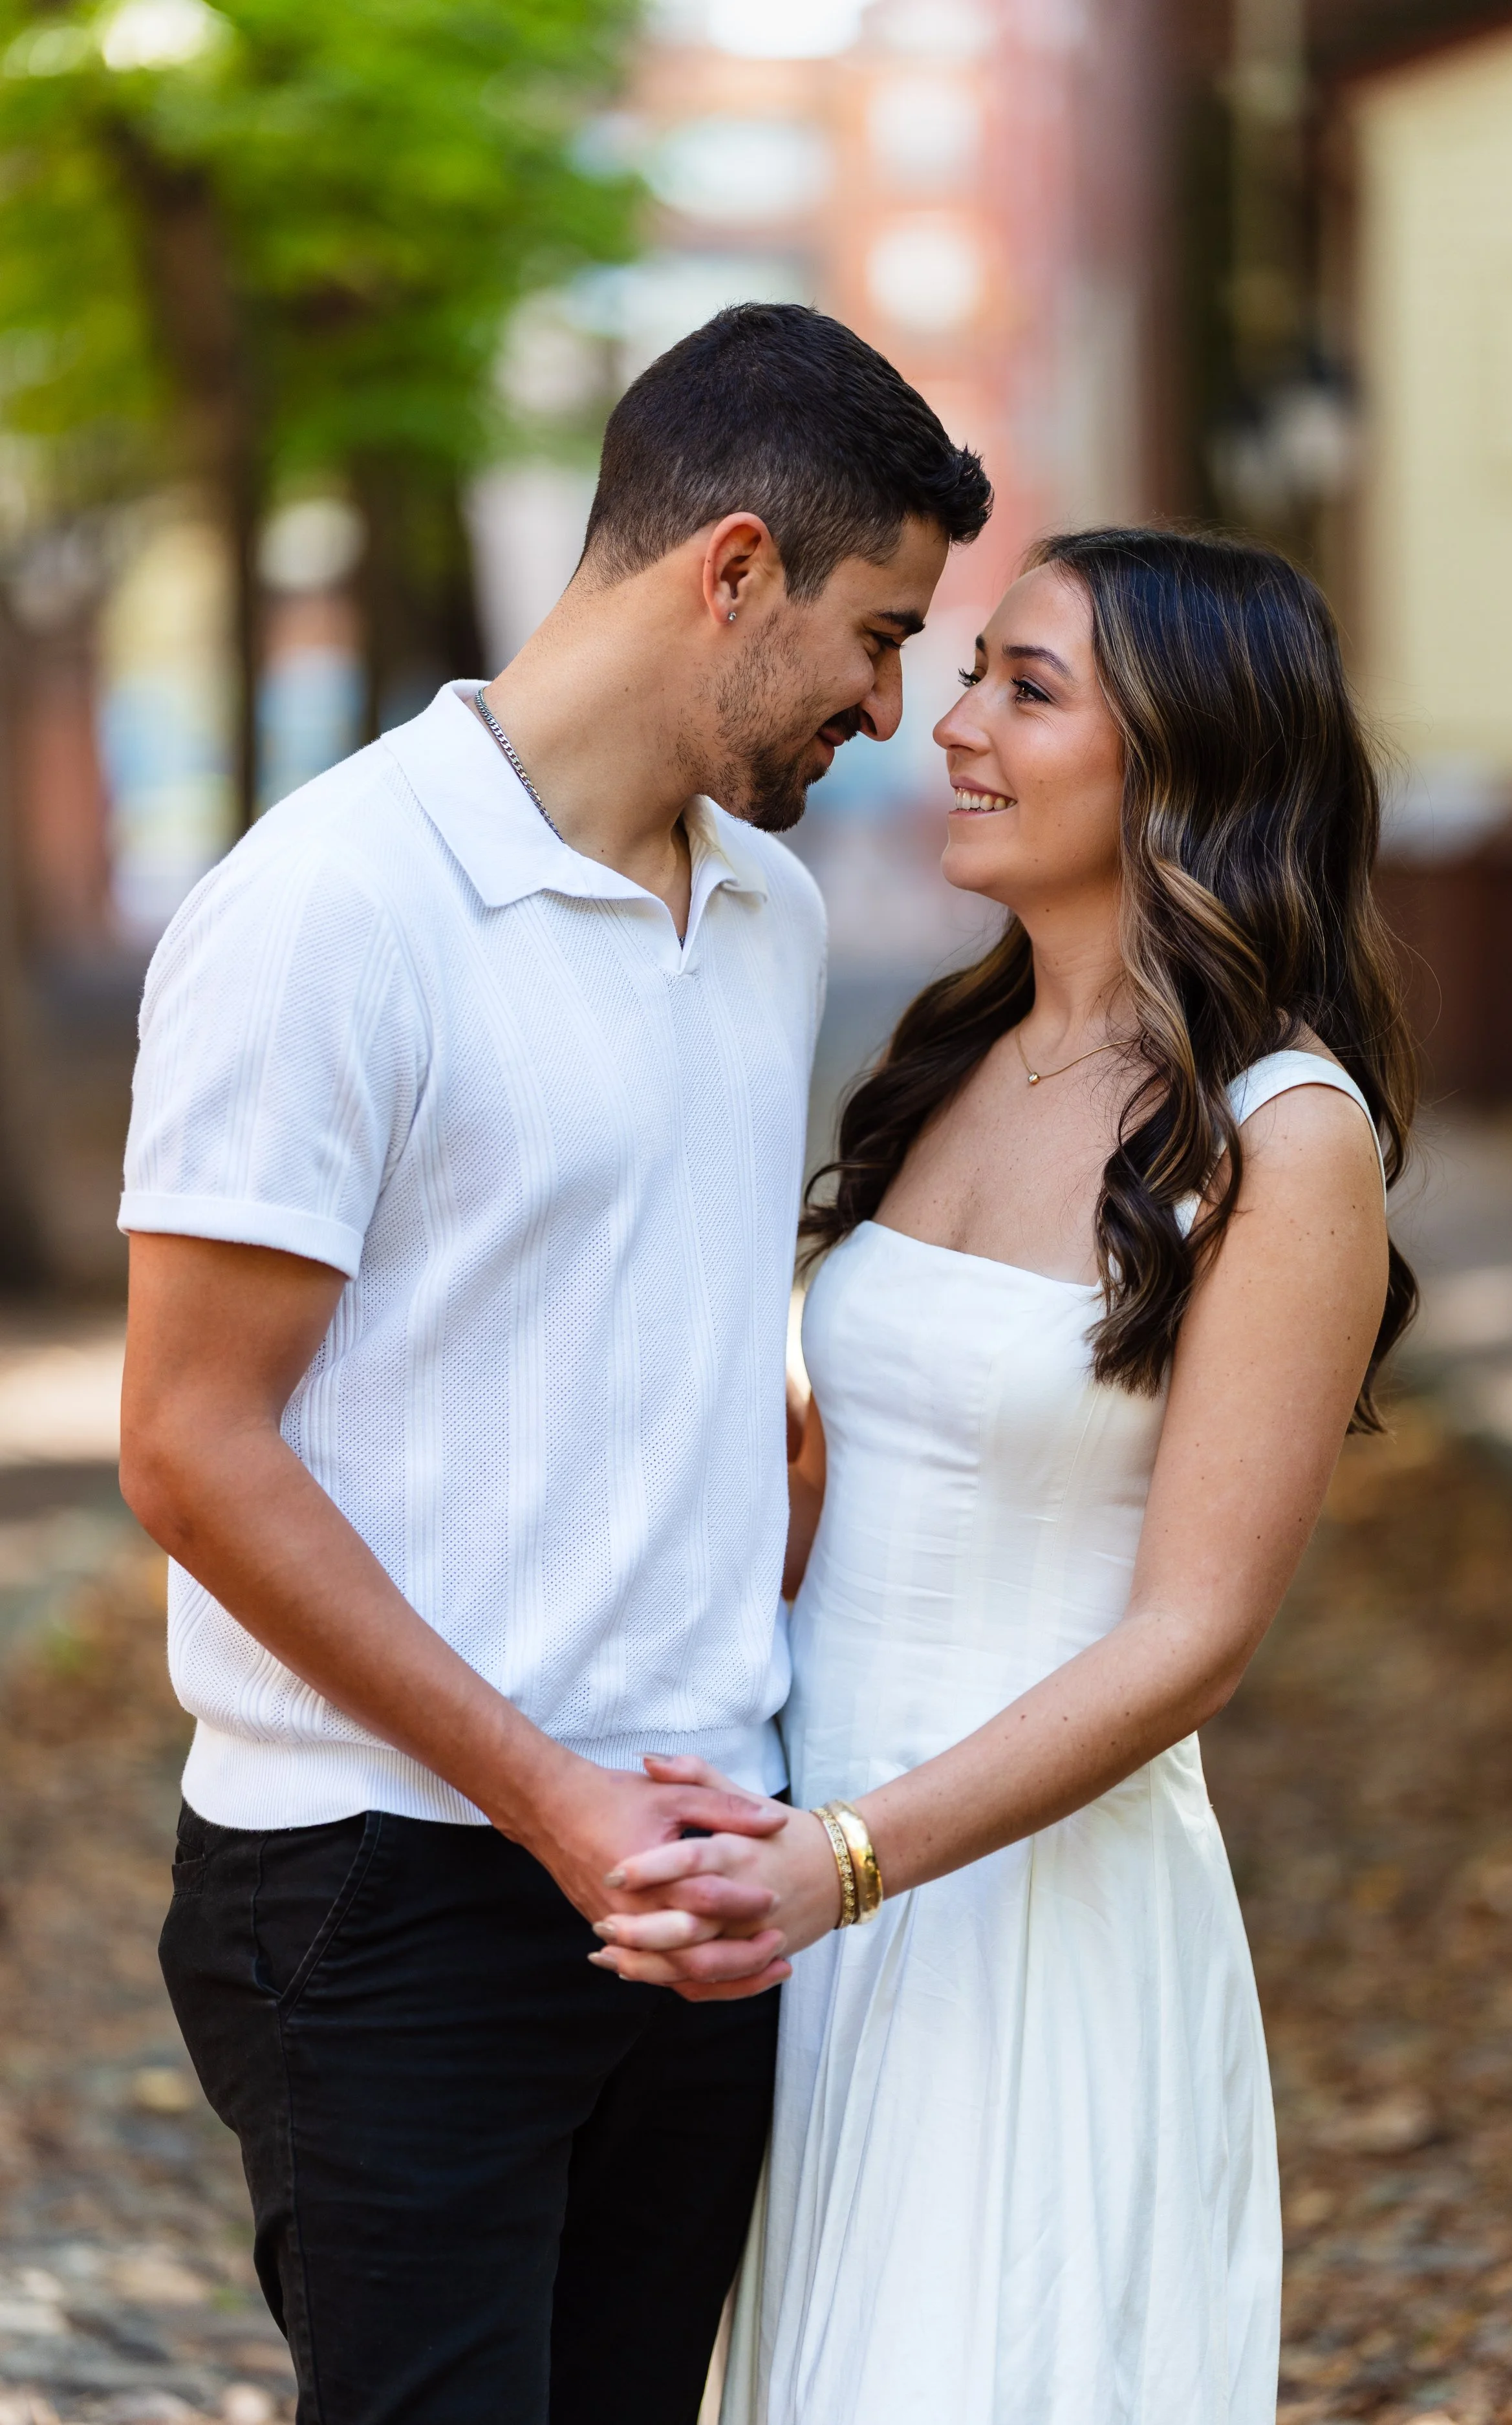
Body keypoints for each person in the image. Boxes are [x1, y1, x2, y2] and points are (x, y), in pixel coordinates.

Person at [116, 302, 989, 2425]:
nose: (892, 708)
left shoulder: (768, 917)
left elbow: (645, 1335)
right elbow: (186, 1443)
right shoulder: (331, 905)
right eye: (879, 634)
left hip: (701, 1881)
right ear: (734, 568)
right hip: (389, 1883)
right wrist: (553, 1800)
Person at [584, 528, 1421, 2424]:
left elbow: (1196, 1635)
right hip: (802, 1896)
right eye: (969, 672)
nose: (947, 726)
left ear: (1189, 762)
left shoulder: (1284, 1138)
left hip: (1025, 1909)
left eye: (1024, 691)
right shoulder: (951, 1050)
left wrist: (850, 1860)